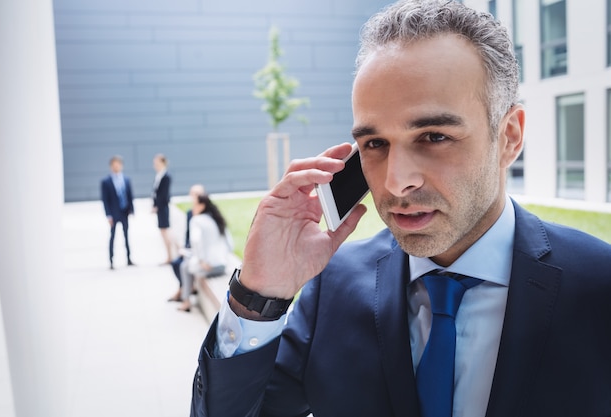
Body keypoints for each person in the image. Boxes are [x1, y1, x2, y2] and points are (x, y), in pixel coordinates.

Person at [190, 1, 611, 416]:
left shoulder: (599, 286)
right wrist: (258, 295)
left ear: (510, 137)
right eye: (374, 144)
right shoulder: (332, 285)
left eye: (433, 136)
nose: (395, 181)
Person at [178, 193, 232, 312]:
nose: (192, 208)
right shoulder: (217, 218)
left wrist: (202, 260)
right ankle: (189, 291)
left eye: (194, 205)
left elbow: (196, 241)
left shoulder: (196, 220)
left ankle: (186, 301)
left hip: (208, 267)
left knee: (184, 266)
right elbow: (230, 245)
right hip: (222, 265)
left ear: (202, 206)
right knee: (188, 262)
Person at [168, 184, 206, 302]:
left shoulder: (206, 213)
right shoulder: (190, 213)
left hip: (201, 252)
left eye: (198, 194)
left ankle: (183, 292)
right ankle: (186, 288)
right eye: (193, 194)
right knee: (175, 263)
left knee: (184, 265)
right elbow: (188, 234)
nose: (195, 197)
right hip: (190, 249)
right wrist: (184, 248)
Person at [100, 155, 134, 269]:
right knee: (113, 237)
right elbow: (105, 200)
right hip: (114, 214)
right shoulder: (106, 181)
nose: (116, 167)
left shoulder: (126, 179)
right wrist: (108, 215)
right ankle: (111, 261)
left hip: (124, 212)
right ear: (111, 167)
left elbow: (130, 196)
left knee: (126, 236)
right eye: (114, 165)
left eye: (118, 165)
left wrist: (132, 210)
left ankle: (129, 259)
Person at [152, 153, 175, 263]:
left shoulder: (166, 176)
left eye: (156, 162)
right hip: (159, 208)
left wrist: (157, 206)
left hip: (163, 208)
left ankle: (171, 256)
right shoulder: (159, 175)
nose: (155, 165)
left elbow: (163, 195)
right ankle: (169, 255)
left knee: (166, 231)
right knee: (163, 231)